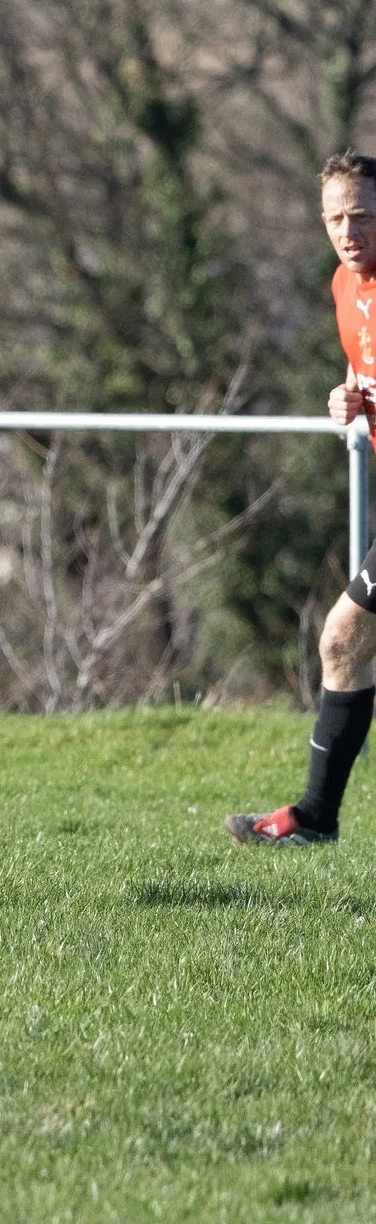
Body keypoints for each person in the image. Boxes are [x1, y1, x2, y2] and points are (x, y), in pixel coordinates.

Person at [230, 151, 376, 847]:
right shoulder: (344, 289)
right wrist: (343, 397)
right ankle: (315, 817)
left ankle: (316, 817)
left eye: (363, 217)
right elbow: (360, 366)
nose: (349, 232)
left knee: (342, 637)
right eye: (336, 218)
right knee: (344, 643)